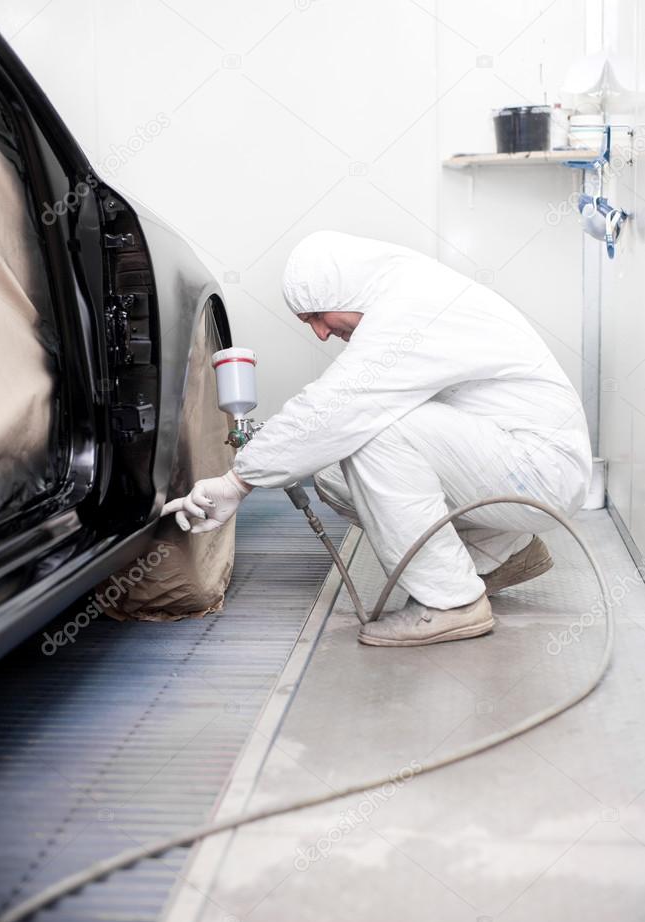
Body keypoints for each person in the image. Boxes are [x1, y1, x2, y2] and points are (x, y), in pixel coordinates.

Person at [162, 230, 592, 647]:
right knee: (333, 472)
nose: (320, 333)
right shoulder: (408, 296)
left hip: (538, 474)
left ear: (343, 295)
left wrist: (238, 481)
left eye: (316, 316)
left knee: (372, 431)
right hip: (515, 461)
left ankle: (451, 603)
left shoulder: (415, 310)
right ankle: (502, 553)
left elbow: (337, 405)